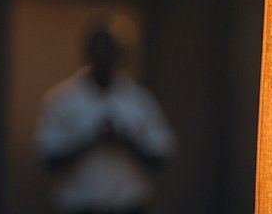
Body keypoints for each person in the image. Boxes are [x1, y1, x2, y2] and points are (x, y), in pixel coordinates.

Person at [35, 21, 175, 214]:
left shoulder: (138, 100)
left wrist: (127, 140)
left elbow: (161, 156)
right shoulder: (63, 100)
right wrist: (91, 139)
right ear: (87, 53)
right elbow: (49, 160)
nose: (104, 57)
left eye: (109, 51)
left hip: (128, 206)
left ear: (120, 55)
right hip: (80, 207)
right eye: (99, 51)